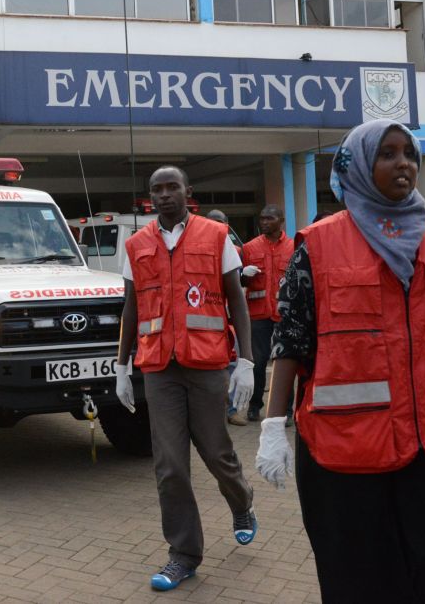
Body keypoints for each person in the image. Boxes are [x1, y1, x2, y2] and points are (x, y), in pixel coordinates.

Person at [255, 120, 425, 604]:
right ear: (358, 165)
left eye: (409, 153)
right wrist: (273, 425)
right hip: (347, 453)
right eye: (387, 153)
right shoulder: (317, 246)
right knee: (359, 580)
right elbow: (291, 342)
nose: (403, 163)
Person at [116, 166, 258, 592]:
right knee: (170, 466)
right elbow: (131, 309)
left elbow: (237, 299)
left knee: (217, 454)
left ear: (187, 192)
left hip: (207, 364)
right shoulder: (136, 245)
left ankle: (242, 502)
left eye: (171, 187)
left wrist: (247, 361)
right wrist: (122, 366)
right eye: (156, 189)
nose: (163, 195)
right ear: (149, 197)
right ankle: (184, 554)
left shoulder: (216, 237)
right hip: (159, 368)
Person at [240, 205, 295, 423]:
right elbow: (239, 281)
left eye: (269, 218)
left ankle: (286, 411)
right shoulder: (249, 248)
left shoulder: (293, 247)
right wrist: (243, 274)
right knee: (258, 362)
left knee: (284, 362)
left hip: (283, 315)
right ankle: (255, 406)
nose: (264, 222)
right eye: (261, 218)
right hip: (258, 315)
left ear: (281, 221)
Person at [205, 209, 246, 427]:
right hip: (210, 317)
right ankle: (215, 411)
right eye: (212, 222)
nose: (217, 226)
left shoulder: (237, 250)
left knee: (235, 364)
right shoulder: (200, 249)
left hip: (231, 317)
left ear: (227, 223)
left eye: (220, 222)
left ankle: (233, 410)